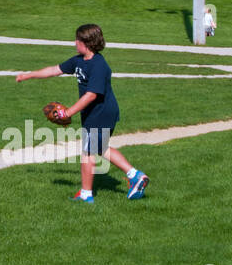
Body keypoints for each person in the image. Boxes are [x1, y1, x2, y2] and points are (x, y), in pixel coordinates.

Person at [15, 23, 149, 203]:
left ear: (86, 42)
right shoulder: (78, 60)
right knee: (101, 148)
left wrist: (68, 112)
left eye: (77, 39)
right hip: (96, 113)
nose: (74, 42)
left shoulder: (99, 65)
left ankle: (86, 194)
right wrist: (28, 75)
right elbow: (55, 70)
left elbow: (91, 95)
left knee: (88, 153)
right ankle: (135, 176)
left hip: (101, 113)